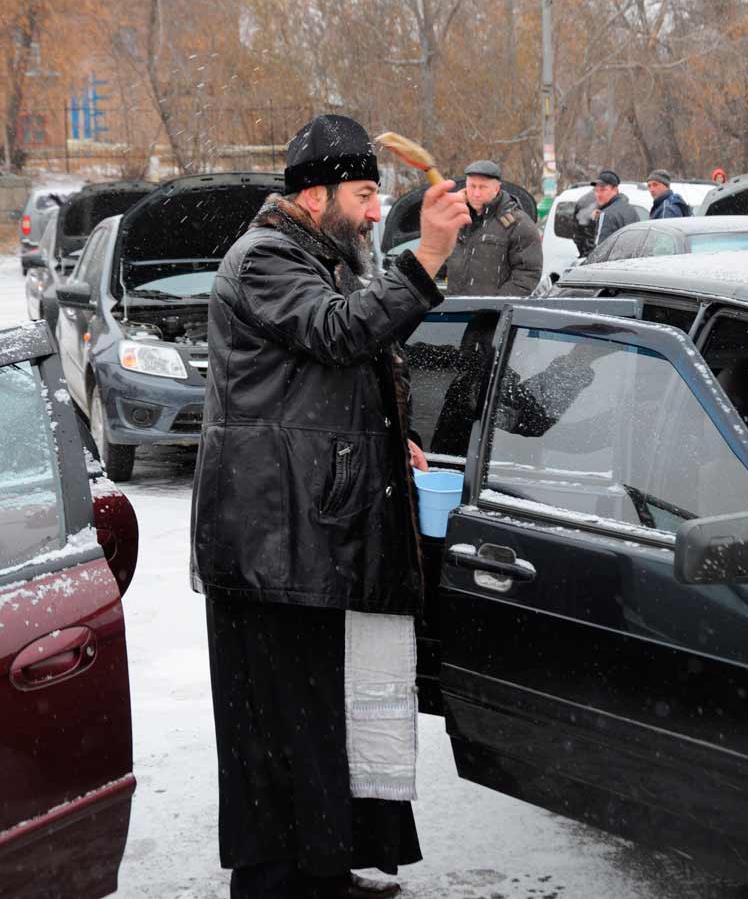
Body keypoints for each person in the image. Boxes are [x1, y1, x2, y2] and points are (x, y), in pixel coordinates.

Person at [190, 114, 471, 899]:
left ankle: (323, 867)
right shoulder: (263, 260)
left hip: (310, 526)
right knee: (275, 725)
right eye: (364, 194)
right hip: (267, 536)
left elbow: (335, 373)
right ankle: (277, 884)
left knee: (321, 717)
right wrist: (431, 255)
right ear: (314, 197)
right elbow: (339, 333)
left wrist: (393, 435)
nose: (378, 211)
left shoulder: (323, 256)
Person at [445, 160, 542, 296]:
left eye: (482, 187)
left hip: (493, 313)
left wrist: (495, 305)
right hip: (454, 310)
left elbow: (527, 274)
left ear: (496, 189)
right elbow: (441, 261)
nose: (476, 193)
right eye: (472, 186)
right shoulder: (456, 218)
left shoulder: (518, 224)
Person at [592, 169, 638, 246]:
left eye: (603, 190)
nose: (598, 194)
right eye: (596, 190)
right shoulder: (631, 209)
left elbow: (599, 251)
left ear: (615, 189)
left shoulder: (606, 214)